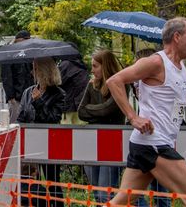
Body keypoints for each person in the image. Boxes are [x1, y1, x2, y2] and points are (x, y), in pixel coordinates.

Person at [106, 17, 186, 207]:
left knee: (121, 202)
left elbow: (175, 101)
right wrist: (133, 117)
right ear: (177, 37)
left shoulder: (180, 67)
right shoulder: (155, 62)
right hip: (154, 143)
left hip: (148, 144)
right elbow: (114, 81)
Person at [77, 50, 126, 203]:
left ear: (105, 66)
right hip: (92, 142)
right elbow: (80, 112)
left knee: (106, 193)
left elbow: (108, 109)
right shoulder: (91, 84)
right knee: (97, 193)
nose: (92, 70)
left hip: (111, 142)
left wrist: (90, 108)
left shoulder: (120, 84)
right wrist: (99, 111)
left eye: (95, 66)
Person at [17, 57, 65, 207]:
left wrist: (38, 102)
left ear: (44, 71)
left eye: (35, 68)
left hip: (50, 144)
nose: (32, 72)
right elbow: (21, 118)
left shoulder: (59, 94)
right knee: (29, 182)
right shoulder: (28, 92)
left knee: (53, 182)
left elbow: (53, 119)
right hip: (30, 144)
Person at [132, 48, 170, 207]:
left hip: (160, 138)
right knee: (134, 190)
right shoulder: (138, 82)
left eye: (138, 64)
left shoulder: (163, 82)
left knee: (160, 186)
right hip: (143, 139)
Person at [0, 30, 34, 123]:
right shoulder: (9, 54)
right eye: (26, 39)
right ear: (18, 40)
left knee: (29, 123)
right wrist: (11, 98)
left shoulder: (29, 54)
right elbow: (6, 77)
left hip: (30, 95)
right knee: (16, 123)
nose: (28, 42)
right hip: (17, 97)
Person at [58, 43, 89, 124]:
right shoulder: (82, 65)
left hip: (68, 106)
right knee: (79, 130)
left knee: (65, 129)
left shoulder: (66, 64)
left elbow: (56, 82)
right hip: (80, 105)